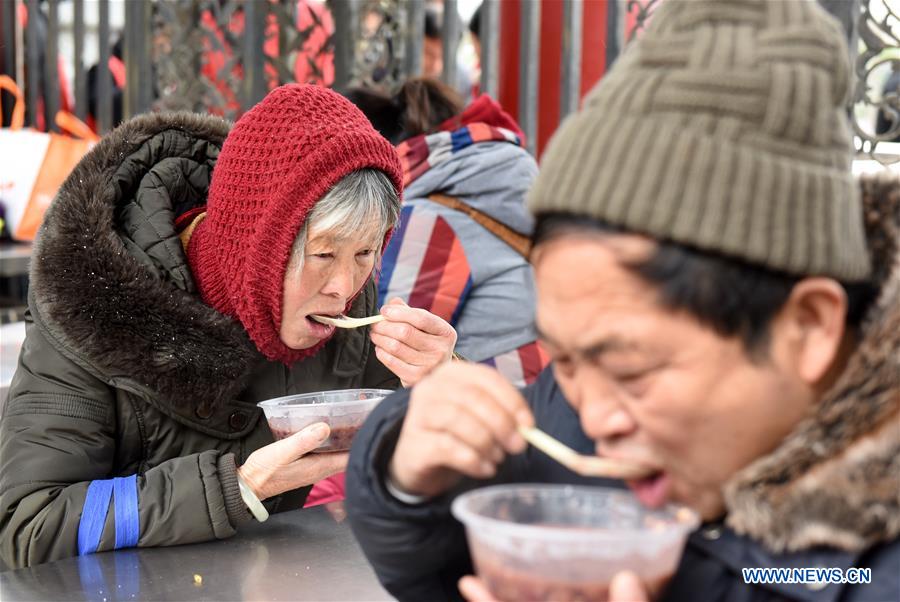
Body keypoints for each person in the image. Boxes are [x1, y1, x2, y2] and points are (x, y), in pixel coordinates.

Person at [344, 1, 900, 601]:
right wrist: (407, 471)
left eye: (632, 369)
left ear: (810, 328)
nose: (596, 417)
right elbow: (441, 557)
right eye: (566, 358)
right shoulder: (575, 416)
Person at [0, 83, 457, 568]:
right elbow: (26, 526)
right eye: (323, 254)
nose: (344, 286)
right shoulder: (91, 308)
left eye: (365, 252)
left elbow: (454, 463)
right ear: (254, 245)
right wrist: (236, 487)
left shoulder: (338, 308)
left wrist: (443, 379)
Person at [347, 79, 549, 387]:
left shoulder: (429, 220)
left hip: (502, 406)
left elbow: (392, 344)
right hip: (549, 387)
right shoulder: (489, 186)